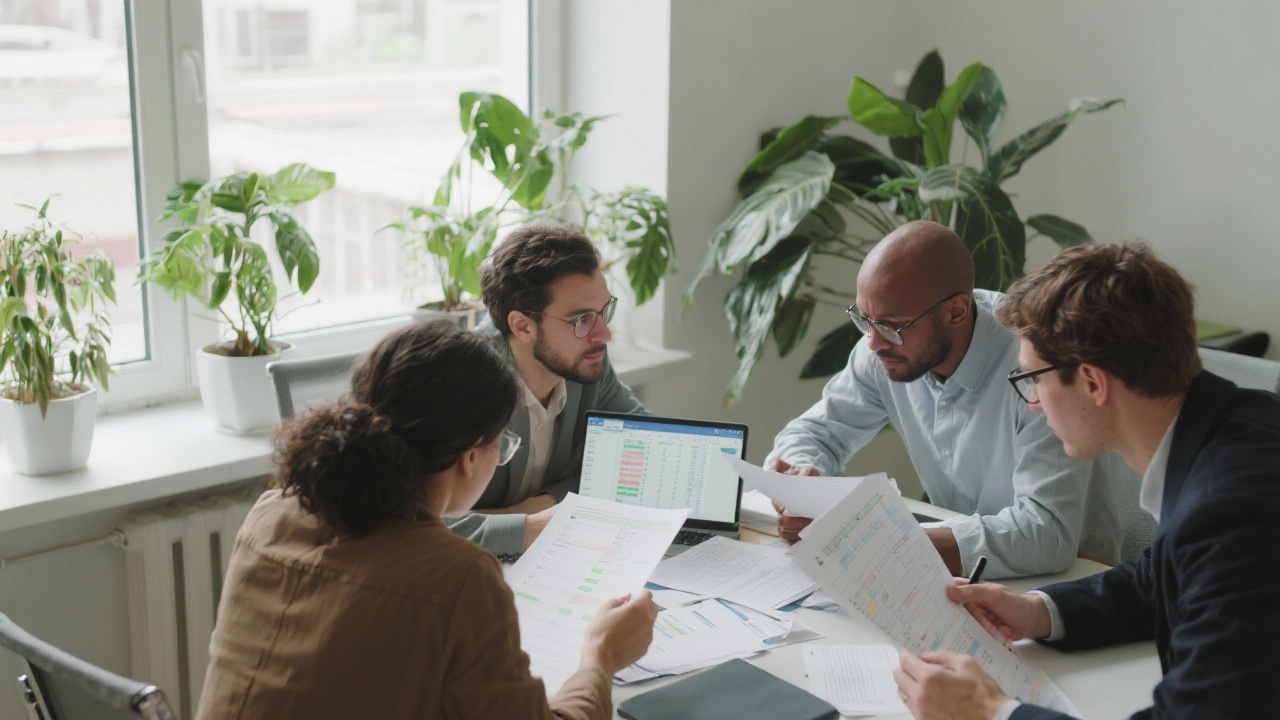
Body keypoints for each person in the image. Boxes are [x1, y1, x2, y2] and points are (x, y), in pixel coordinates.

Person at [195, 320, 658, 720]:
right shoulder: (458, 578)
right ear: (470, 456)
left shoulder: (270, 513)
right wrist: (601, 656)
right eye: (504, 445)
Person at [894, 243, 1280, 719]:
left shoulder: (1228, 515)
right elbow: (1163, 574)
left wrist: (990, 712)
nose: (1032, 401)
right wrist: (1038, 611)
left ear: (1094, 383)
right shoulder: (1248, 420)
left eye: (1032, 378)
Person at [766, 220, 1122, 578]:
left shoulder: (1035, 363)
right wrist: (801, 479)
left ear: (956, 311)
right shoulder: (884, 346)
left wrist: (882, 543)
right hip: (956, 575)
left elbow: (1045, 534)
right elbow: (814, 432)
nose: (873, 342)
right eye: (864, 319)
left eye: (891, 325)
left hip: (1072, 582)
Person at [448, 223, 647, 557]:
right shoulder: (460, 382)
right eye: (581, 319)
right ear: (522, 326)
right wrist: (531, 525)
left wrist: (551, 500)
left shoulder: (585, 359)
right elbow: (404, 526)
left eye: (603, 312)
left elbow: (647, 451)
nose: (603, 335)